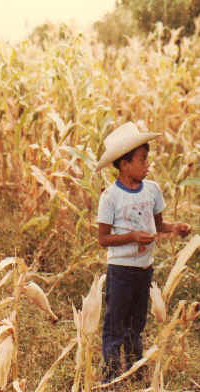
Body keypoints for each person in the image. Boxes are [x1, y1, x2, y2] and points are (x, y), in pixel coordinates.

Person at [96, 122, 191, 386]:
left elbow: (159, 226)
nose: (147, 164)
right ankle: (112, 377)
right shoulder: (111, 197)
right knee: (115, 325)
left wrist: (176, 229)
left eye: (146, 159)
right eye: (142, 160)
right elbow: (103, 239)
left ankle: (136, 373)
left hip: (144, 269)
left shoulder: (152, 190)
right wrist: (132, 237)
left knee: (136, 325)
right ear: (124, 165)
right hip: (121, 270)